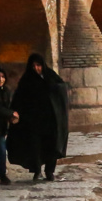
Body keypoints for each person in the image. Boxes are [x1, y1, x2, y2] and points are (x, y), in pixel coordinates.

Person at [7, 53, 69, 182]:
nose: (36, 68)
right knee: (35, 147)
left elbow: (61, 89)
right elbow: (19, 99)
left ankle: (49, 171)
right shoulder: (26, 80)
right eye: (34, 65)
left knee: (52, 145)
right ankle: (37, 171)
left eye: (39, 65)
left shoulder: (51, 76)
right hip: (33, 121)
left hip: (51, 121)